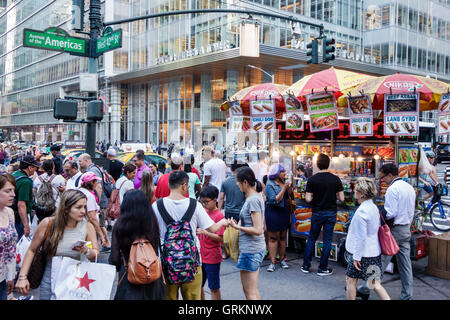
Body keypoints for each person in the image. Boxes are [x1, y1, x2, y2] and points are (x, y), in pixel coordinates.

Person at [151, 171, 228, 300]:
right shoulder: (195, 206)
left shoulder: (156, 206)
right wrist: (223, 221)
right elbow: (213, 228)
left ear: (170, 185)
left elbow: (152, 233)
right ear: (184, 185)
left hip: (166, 264)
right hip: (192, 263)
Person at [15, 189, 99, 299]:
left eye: (84, 207)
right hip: (51, 278)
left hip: (76, 280)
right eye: (78, 207)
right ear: (66, 209)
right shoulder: (48, 224)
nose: (83, 211)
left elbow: (95, 253)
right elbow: (32, 250)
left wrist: (87, 250)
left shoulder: (87, 227)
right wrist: (22, 277)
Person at [109, 190, 166, 300]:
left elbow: (114, 258)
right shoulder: (152, 223)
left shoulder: (120, 226)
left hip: (129, 277)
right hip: (153, 276)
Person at [345, 177, 390, 300]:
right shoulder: (373, 207)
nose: (354, 192)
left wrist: (356, 257)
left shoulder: (362, 212)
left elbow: (361, 237)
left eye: (356, 191)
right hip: (374, 252)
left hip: (361, 254)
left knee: (350, 280)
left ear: (361, 194)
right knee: (374, 283)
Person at [302, 153, 344, 275]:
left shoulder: (312, 179)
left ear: (317, 165)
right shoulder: (335, 179)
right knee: (327, 240)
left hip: (317, 212)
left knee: (312, 238)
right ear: (328, 164)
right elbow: (341, 198)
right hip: (331, 212)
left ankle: (306, 266)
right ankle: (323, 268)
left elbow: (308, 199)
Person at [227, 167, 265, 300]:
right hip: (251, 248)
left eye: (238, 183)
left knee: (250, 292)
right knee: (250, 290)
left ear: (245, 182)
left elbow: (258, 229)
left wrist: (237, 227)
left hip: (251, 249)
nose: (237, 186)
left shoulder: (253, 200)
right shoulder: (254, 198)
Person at [379, 163, 415, 300]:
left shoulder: (392, 189)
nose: (382, 181)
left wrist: (381, 214)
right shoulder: (409, 187)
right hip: (406, 229)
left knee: (380, 261)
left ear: (389, 175)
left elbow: (390, 213)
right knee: (405, 266)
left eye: (383, 178)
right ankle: (407, 295)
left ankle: (366, 287)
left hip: (395, 230)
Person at [198, 186, 225, 300]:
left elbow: (220, 239)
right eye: (202, 201)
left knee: (214, 287)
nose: (204, 204)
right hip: (200, 255)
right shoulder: (203, 212)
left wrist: (206, 232)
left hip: (212, 257)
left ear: (215, 200)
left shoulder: (219, 215)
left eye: (206, 202)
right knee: (198, 286)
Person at [78, 153, 111, 248]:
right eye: (95, 181)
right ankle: (93, 250)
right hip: (86, 228)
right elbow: (92, 218)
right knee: (90, 246)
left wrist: (97, 203)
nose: (79, 163)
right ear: (91, 183)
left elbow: (100, 188)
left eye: (80, 161)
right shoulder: (89, 196)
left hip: (82, 228)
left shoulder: (81, 191)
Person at [264, 164, 292, 272]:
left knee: (283, 237)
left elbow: (288, 196)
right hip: (273, 212)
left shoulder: (283, 183)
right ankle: (272, 262)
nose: (285, 173)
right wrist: (284, 189)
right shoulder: (269, 184)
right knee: (273, 238)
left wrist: (289, 188)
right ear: (276, 173)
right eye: (282, 171)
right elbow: (274, 200)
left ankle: (282, 259)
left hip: (284, 212)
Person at [12, 155, 40, 239]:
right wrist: (26, 225)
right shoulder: (25, 182)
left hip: (11, 215)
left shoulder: (15, 174)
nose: (36, 169)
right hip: (19, 218)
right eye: (35, 167)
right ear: (30, 167)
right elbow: (21, 204)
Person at [0, 173, 18, 300]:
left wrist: (11, 276)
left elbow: (11, 249)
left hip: (4, 278)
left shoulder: (10, 212)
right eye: (8, 191)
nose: (13, 195)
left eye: (13, 190)